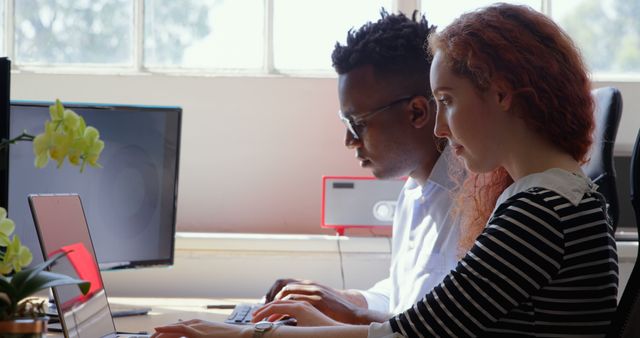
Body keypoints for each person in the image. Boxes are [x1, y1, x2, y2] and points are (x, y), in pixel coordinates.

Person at [152, 3, 619, 337]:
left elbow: (406, 335)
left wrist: (239, 334)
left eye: (447, 103)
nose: (440, 126)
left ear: (500, 95)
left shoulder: (541, 211)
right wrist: (333, 314)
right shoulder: (553, 200)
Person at [261, 9, 461, 325]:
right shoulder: (412, 193)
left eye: (357, 123)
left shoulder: (477, 206)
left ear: (417, 113)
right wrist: (335, 298)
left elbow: (428, 328)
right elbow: (402, 297)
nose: (349, 140)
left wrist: (346, 313)